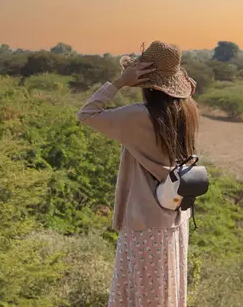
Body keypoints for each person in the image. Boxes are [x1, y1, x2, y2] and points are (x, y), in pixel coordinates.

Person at [77, 41, 199, 307]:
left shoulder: (138, 116)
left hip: (146, 223)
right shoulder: (187, 111)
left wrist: (120, 82)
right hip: (177, 214)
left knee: (142, 296)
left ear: (145, 82)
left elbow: (86, 114)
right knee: (166, 293)